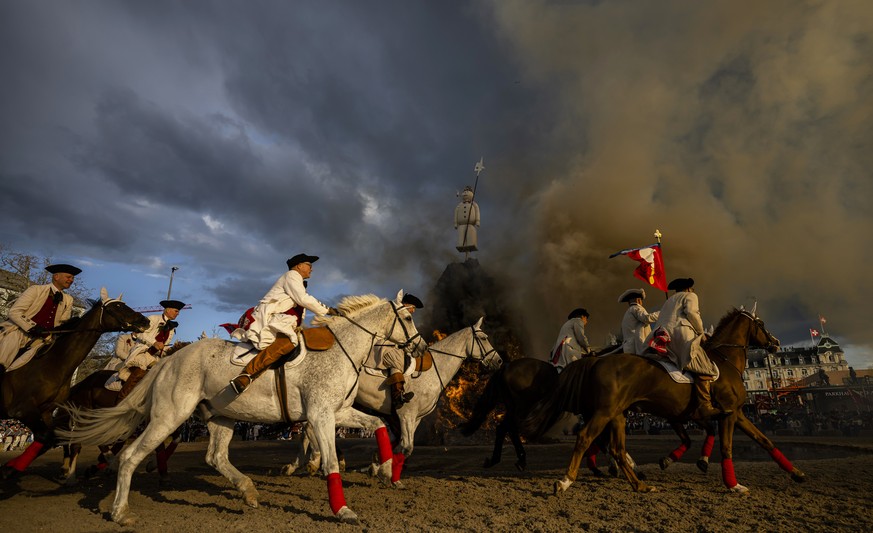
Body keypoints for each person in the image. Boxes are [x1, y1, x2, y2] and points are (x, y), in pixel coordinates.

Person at [230, 253, 338, 394]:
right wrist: (328, 309)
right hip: (270, 317)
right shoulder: (292, 275)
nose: (312, 269)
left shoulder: (297, 281)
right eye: (309, 266)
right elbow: (303, 299)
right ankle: (246, 375)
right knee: (288, 342)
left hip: (283, 319)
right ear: (299, 266)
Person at [645, 277, 729, 419]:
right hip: (680, 336)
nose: (693, 290)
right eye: (692, 289)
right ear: (689, 288)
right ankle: (705, 406)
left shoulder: (668, 301)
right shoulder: (690, 296)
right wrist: (701, 331)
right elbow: (691, 313)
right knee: (704, 367)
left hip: (662, 338)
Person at [0, 263, 81, 374]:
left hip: (44, 340)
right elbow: (14, 312)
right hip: (19, 332)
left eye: (72, 278)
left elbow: (63, 323)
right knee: (7, 349)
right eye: (68, 277)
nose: (71, 280)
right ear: (56, 277)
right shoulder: (35, 290)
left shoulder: (68, 299)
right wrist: (32, 327)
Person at [112, 299, 185, 400]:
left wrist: (172, 349)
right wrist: (154, 342)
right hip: (142, 353)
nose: (178, 314)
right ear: (167, 310)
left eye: (178, 311)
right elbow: (140, 333)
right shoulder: (153, 318)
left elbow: (164, 345)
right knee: (139, 373)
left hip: (156, 358)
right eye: (176, 311)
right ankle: (121, 400)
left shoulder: (171, 328)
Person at [374, 293, 424, 409]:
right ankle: (397, 395)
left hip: (391, 343)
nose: (414, 311)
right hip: (381, 343)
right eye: (413, 307)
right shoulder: (393, 312)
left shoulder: (403, 315)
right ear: (406, 305)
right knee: (396, 358)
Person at [618, 288, 659, 355]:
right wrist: (662, 313)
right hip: (637, 347)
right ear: (638, 300)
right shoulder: (636, 308)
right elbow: (647, 318)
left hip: (630, 347)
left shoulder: (629, 311)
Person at [550, 308, 591, 372]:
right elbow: (581, 337)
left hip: (561, 349)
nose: (586, 322)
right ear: (582, 316)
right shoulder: (578, 321)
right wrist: (589, 350)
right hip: (568, 350)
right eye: (586, 319)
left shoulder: (568, 323)